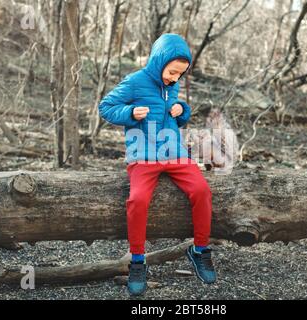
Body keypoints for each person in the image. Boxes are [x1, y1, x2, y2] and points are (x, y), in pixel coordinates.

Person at [98, 33, 216, 296]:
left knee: (202, 191)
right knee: (138, 200)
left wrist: (182, 110)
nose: (174, 78)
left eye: (180, 75)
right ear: (159, 61)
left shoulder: (171, 86)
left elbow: (175, 116)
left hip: (174, 152)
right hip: (144, 155)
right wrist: (129, 113)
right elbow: (105, 107)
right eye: (172, 72)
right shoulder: (136, 81)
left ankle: (199, 250)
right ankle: (138, 261)